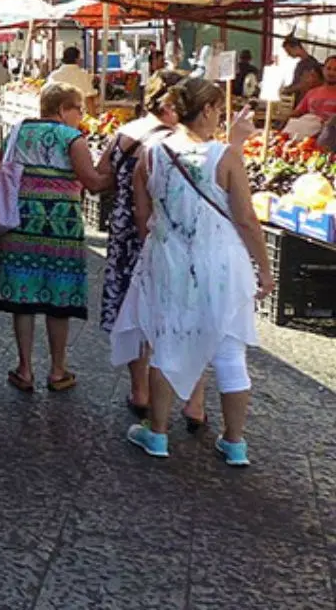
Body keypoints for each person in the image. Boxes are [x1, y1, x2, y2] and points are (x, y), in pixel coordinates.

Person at [115, 78, 273, 466]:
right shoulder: (225, 156)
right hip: (222, 262)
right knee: (230, 351)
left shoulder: (151, 151)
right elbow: (248, 220)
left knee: (166, 343)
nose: (220, 115)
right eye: (218, 108)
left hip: (168, 258)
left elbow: (142, 212)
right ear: (206, 110)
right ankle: (235, 442)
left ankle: (157, 434)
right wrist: (265, 271)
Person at [0, 82, 110, 392]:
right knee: (58, 297)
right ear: (62, 109)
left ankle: (24, 368)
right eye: (79, 110)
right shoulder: (73, 138)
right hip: (61, 227)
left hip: (20, 222)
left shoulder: (17, 132)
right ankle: (58, 370)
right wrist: (115, 162)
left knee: (23, 297)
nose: (82, 116)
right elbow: (93, 183)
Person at [95, 71, 181, 417]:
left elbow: (101, 176)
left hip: (126, 231)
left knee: (131, 310)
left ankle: (140, 390)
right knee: (170, 310)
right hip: (168, 233)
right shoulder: (182, 142)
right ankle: (189, 399)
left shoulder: (125, 134)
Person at [47, 47, 98, 114]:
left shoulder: (53, 76)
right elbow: (89, 99)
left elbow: (48, 99)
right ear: (76, 59)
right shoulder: (83, 75)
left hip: (58, 116)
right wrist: (94, 119)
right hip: (79, 117)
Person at [292, 56, 336, 123]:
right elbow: (297, 112)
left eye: (335, 70)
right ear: (323, 70)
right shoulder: (311, 93)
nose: (331, 72)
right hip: (307, 130)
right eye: (328, 68)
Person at [282, 35, 322, 101]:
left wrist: (287, 90)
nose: (288, 54)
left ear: (296, 47)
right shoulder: (299, 64)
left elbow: (305, 84)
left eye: (289, 51)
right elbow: (296, 83)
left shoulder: (311, 63)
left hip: (306, 101)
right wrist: (285, 88)